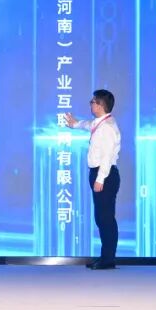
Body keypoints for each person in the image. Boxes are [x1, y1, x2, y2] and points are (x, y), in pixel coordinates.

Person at [64, 89, 122, 270]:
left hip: (104, 175)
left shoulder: (108, 127)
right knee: (101, 217)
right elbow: (88, 125)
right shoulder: (101, 123)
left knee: (106, 218)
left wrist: (100, 178)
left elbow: (107, 156)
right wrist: (75, 124)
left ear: (100, 105)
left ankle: (108, 259)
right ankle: (105, 256)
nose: (90, 104)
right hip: (100, 174)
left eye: (93, 102)